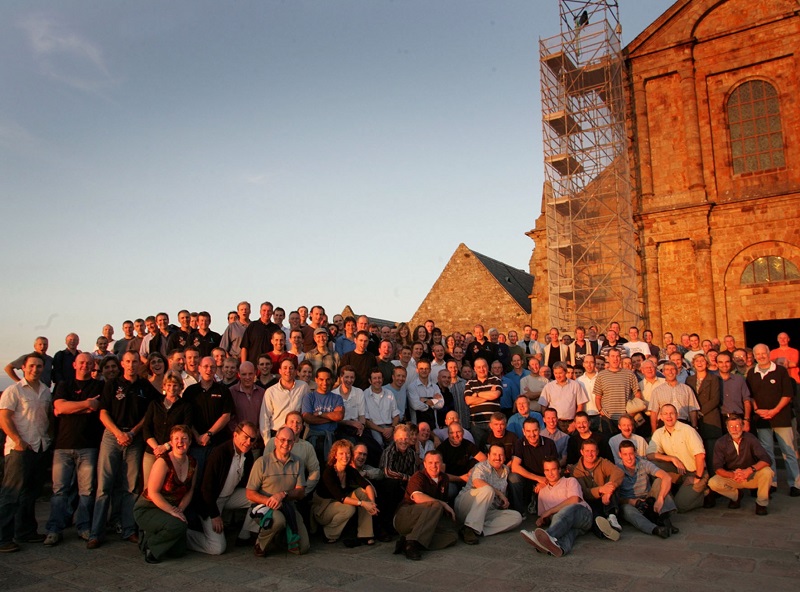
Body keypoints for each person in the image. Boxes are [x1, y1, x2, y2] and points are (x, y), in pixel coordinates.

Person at [89, 351, 159, 549]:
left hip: (134, 439)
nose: (131, 365)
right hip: (112, 437)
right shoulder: (112, 385)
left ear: (139, 364)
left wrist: (133, 432)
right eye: (127, 362)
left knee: (131, 488)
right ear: (122, 364)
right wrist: (118, 433)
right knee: (104, 487)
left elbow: (150, 412)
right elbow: (103, 413)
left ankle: (129, 529)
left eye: (134, 361)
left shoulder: (145, 386)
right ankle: (96, 532)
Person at [43, 352, 104, 546]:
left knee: (86, 491)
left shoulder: (99, 386)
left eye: (88, 363)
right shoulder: (64, 385)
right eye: (81, 362)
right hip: (64, 445)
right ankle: (54, 529)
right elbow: (59, 407)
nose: (85, 365)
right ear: (75, 365)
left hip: (89, 445)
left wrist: (71, 407)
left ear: (93, 365)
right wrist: (86, 404)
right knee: (59, 491)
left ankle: (84, 527)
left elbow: (96, 407)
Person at [0, 353, 51, 553]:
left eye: (39, 366)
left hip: (40, 447)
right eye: (31, 366)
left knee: (31, 494)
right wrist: (19, 441)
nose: (35, 369)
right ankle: (3, 537)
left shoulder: (46, 391)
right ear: (23, 367)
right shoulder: (14, 391)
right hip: (19, 449)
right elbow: (4, 418)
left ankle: (26, 531)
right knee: (11, 494)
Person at [187, 421, 258, 554]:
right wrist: (215, 515)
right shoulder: (220, 453)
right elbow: (206, 488)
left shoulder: (247, 455)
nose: (248, 442)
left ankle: (244, 535)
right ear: (235, 435)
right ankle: (185, 536)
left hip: (229, 496)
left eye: (252, 439)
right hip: (211, 502)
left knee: (258, 498)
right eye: (246, 437)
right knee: (217, 548)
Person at [133, 425, 197, 564]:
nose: (181, 442)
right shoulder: (163, 462)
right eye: (176, 439)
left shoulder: (192, 462)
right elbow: (153, 492)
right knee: (178, 526)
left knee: (179, 551)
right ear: (171, 442)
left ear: (190, 442)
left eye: (185, 438)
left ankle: (151, 534)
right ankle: (150, 547)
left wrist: (180, 510)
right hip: (149, 507)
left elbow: (190, 490)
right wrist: (172, 512)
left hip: (172, 507)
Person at [246, 426, 310, 556]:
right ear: (275, 441)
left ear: (293, 442)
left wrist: (283, 494)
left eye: (290, 441)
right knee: (279, 521)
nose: (286, 444)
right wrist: (270, 501)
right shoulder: (262, 462)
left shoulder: (298, 462)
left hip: (288, 507)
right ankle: (261, 543)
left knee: (302, 548)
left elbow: (300, 492)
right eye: (282, 440)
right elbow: (250, 493)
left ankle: (280, 538)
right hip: (265, 507)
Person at [746, 344, 800, 496]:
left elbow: (787, 394)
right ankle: (772, 482)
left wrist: (774, 410)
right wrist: (756, 410)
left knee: (788, 451)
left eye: (764, 353)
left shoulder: (780, 371)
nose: (761, 356)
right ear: (754, 356)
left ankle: (795, 484)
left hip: (781, 417)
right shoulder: (752, 373)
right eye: (758, 354)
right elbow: (750, 396)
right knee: (767, 452)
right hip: (762, 419)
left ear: (769, 354)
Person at [520, 457, 592, 557]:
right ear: (544, 472)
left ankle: (546, 536)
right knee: (567, 530)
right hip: (568, 524)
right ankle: (560, 548)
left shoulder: (570, 481)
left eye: (553, 469)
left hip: (583, 516)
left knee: (563, 512)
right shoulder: (543, 492)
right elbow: (546, 517)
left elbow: (574, 500)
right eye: (547, 470)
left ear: (559, 470)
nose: (550, 473)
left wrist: (550, 511)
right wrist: (542, 520)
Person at [393, 450, 458, 561]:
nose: (434, 466)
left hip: (424, 522)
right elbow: (418, 497)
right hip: (405, 517)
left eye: (437, 462)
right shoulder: (418, 476)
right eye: (430, 462)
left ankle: (408, 542)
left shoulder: (444, 479)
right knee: (436, 505)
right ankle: (412, 544)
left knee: (452, 537)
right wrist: (442, 503)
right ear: (425, 464)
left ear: (442, 463)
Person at [311, 439, 378, 545]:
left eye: (347, 453)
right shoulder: (328, 472)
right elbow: (341, 497)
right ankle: (329, 533)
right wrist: (363, 504)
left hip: (338, 504)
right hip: (322, 508)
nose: (345, 456)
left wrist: (372, 503)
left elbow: (367, 485)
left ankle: (365, 534)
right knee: (349, 508)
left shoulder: (350, 470)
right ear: (335, 456)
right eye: (341, 453)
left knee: (363, 492)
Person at [454, 444, 522, 544]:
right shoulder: (481, 466)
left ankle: (475, 529)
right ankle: (470, 526)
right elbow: (477, 482)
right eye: (494, 454)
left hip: (485, 511)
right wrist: (499, 494)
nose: (497, 458)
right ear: (488, 456)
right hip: (467, 504)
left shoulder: (506, 471)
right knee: (487, 490)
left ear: (504, 457)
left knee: (516, 517)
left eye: (501, 455)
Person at [646, 404, 708, 512]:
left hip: (696, 472)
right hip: (678, 471)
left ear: (677, 415)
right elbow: (649, 455)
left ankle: (705, 492)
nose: (669, 416)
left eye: (672, 413)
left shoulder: (688, 430)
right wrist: (672, 458)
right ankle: (665, 494)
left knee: (681, 506)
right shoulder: (659, 433)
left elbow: (700, 455)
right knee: (653, 465)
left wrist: (697, 477)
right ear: (660, 416)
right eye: (665, 414)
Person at [708, 414, 773, 514]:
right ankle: (736, 496)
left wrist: (749, 470)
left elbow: (766, 459)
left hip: (750, 475)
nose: (734, 429)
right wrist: (733, 475)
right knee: (713, 482)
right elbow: (717, 468)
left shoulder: (750, 438)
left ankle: (761, 503)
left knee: (767, 472)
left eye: (737, 426)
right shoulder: (721, 442)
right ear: (727, 428)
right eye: (731, 426)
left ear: (742, 427)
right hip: (732, 476)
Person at [616, 440, 677, 538]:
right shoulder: (616, 469)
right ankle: (655, 529)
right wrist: (631, 501)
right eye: (625, 454)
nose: (628, 457)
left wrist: (660, 499)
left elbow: (667, 477)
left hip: (648, 497)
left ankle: (665, 519)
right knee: (627, 510)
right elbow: (616, 497)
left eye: (631, 453)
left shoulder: (643, 463)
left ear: (635, 452)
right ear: (620, 454)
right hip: (630, 502)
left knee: (660, 481)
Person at [141, 372, 193, 484]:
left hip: (173, 453)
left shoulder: (185, 406)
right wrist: (157, 448)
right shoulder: (154, 404)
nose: (172, 388)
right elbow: (146, 428)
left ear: (180, 387)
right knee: (148, 487)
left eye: (175, 385)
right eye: (168, 385)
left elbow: (186, 430)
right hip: (152, 452)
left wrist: (165, 447)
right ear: (164, 386)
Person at [571, 439, 624, 541]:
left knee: (613, 484)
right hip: (590, 501)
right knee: (596, 517)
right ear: (582, 452)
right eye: (587, 451)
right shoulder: (576, 470)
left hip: (607, 499)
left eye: (593, 451)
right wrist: (601, 490)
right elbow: (583, 492)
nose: (590, 454)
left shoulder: (603, 462)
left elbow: (619, 472)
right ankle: (606, 533)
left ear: (597, 452)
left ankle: (612, 516)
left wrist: (607, 491)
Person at [508, 417, 558, 515]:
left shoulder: (549, 443)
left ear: (539, 430)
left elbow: (554, 467)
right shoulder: (519, 443)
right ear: (523, 431)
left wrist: (545, 481)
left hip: (546, 479)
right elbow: (515, 467)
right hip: (528, 479)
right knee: (513, 477)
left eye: (535, 430)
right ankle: (519, 512)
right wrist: (538, 478)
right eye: (528, 431)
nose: (532, 434)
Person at [301, 367, 345, 466]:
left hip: (332, 438)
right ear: (316, 379)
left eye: (327, 379)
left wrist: (321, 414)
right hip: (314, 439)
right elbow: (308, 418)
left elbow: (339, 416)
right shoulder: (309, 397)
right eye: (321, 379)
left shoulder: (337, 398)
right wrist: (331, 418)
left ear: (331, 380)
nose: (325, 383)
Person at [259, 357, 309, 441]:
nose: (288, 371)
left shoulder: (303, 387)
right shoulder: (270, 391)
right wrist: (267, 442)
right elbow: (264, 418)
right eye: (285, 368)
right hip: (277, 434)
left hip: (297, 435)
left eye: (291, 368)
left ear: (295, 371)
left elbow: (307, 412)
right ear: (280, 371)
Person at [593, 348, 642, 434]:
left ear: (620, 358)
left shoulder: (629, 374)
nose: (615, 359)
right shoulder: (601, 375)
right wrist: (600, 410)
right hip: (608, 417)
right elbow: (598, 397)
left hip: (626, 417)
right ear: (608, 358)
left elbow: (637, 394)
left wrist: (632, 412)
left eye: (617, 356)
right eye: (612, 356)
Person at [437, 422, 486, 499]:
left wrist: (473, 470)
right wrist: (460, 478)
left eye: (458, 432)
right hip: (451, 480)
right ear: (448, 434)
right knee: (450, 491)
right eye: (452, 433)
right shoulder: (442, 449)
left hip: (467, 479)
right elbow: (441, 474)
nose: (455, 435)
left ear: (463, 432)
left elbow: (484, 459)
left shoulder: (467, 444)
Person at [648, 361, 700, 433]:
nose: (670, 372)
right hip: (664, 424)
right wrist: (654, 431)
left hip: (683, 423)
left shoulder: (687, 389)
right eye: (667, 369)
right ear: (663, 372)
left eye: (672, 369)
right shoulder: (657, 391)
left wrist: (694, 427)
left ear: (677, 371)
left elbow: (692, 410)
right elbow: (654, 412)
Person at [537, 361, 589, 434]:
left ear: (565, 372)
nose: (558, 376)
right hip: (554, 423)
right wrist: (548, 422)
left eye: (560, 373)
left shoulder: (575, 385)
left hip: (571, 422)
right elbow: (543, 406)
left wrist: (575, 422)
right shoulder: (549, 387)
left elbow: (580, 405)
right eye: (556, 373)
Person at [240, 301, 282, 366]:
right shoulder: (252, 326)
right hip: (253, 365)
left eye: (269, 311)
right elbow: (244, 347)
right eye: (264, 310)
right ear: (260, 311)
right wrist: (243, 364)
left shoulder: (276, 328)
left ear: (272, 313)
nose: (266, 313)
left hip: (270, 365)